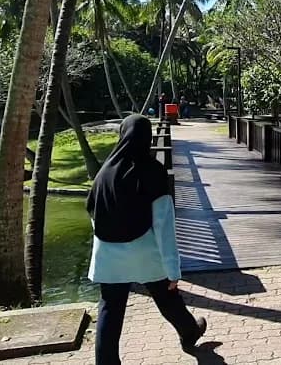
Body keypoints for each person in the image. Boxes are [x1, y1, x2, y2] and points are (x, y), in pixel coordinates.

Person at [86, 115, 206, 364]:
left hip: (108, 253)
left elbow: (93, 213)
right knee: (166, 294)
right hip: (144, 251)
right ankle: (189, 331)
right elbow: (163, 226)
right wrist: (173, 269)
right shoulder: (153, 171)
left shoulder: (104, 172)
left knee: (110, 308)